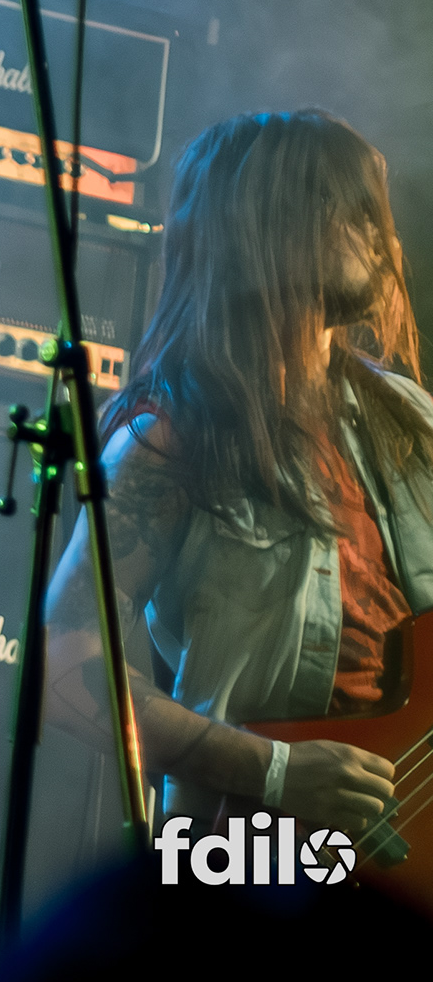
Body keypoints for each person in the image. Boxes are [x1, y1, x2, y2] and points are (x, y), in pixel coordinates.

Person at [46, 109, 433, 838]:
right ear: (274, 228)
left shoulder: (410, 420)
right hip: (248, 854)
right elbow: (62, 666)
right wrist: (274, 771)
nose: (384, 238)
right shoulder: (171, 441)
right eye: (354, 212)